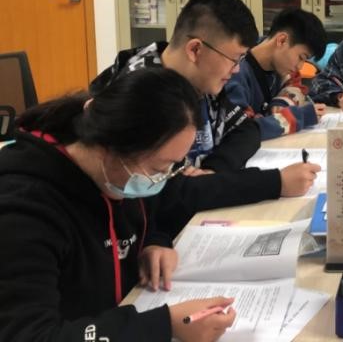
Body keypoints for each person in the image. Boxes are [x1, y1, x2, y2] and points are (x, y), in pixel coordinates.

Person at [0, 67, 236, 341]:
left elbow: (150, 211)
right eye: (158, 168)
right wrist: (164, 325)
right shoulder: (23, 211)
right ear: (108, 147)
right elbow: (29, 335)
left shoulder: (116, 176)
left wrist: (154, 241)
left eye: (171, 167)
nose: (159, 180)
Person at [91, 0, 320, 235]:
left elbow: (247, 129)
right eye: (234, 59)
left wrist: (213, 171)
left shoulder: (203, 80)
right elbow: (166, 195)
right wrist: (275, 183)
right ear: (195, 50)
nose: (236, 70)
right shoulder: (143, 94)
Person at [225, 8, 328, 139]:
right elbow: (244, 128)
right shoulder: (235, 72)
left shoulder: (283, 67)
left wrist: (280, 106)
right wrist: (299, 116)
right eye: (301, 57)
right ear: (281, 40)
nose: (300, 66)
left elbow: (296, 88)